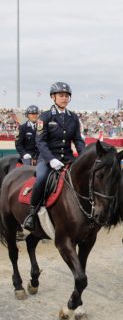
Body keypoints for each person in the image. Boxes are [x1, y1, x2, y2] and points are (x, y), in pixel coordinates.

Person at [22, 83, 86, 232]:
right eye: (61, 95)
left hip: (68, 159)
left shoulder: (73, 117)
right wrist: (51, 159)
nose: (64, 98)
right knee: (42, 179)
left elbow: (78, 140)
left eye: (66, 95)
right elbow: (40, 141)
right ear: (53, 97)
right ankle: (32, 213)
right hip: (47, 159)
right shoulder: (45, 116)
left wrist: (83, 156)